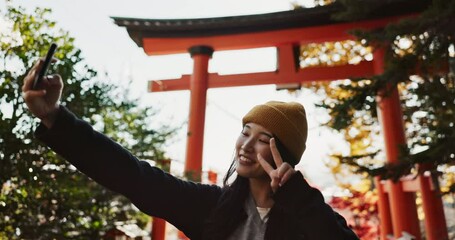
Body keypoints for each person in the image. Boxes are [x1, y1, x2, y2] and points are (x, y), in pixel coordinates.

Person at [23, 59, 359, 240]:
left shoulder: (307, 215)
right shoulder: (212, 206)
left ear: (283, 152)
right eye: (245, 132)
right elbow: (133, 177)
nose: (246, 144)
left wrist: (298, 197)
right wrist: (55, 118)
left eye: (262, 138)